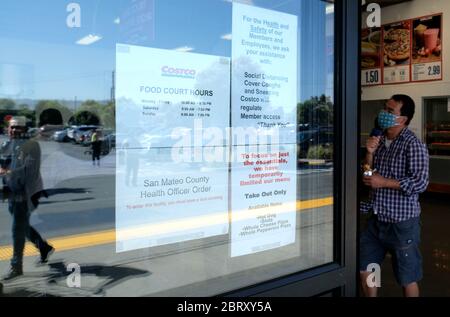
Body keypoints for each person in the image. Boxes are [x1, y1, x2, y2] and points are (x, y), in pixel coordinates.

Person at [360, 95, 429, 297]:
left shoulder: (413, 144)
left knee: (407, 277)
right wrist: (370, 154)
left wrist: (384, 182)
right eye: (384, 108)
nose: (384, 113)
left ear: (403, 119)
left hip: (402, 224)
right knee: (367, 268)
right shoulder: (378, 140)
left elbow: (421, 182)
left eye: (390, 111)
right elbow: (367, 176)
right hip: (376, 219)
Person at [0, 116, 54, 280]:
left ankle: (16, 266)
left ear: (25, 130)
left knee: (17, 229)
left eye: (19, 128)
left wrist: (6, 173)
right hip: (12, 190)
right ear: (8, 129)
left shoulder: (31, 146)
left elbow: (28, 172)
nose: (15, 130)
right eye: (12, 127)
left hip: (27, 193)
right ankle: (43, 247)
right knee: (22, 225)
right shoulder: (7, 145)